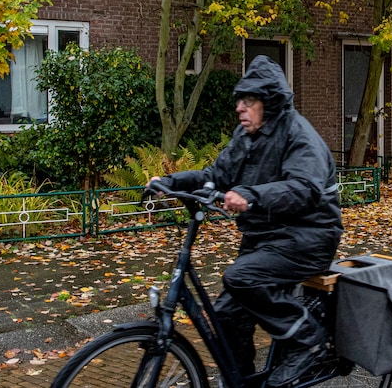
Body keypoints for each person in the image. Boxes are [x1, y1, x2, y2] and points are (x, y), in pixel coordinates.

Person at [143, 55, 343, 387]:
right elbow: (215, 176)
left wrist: (251, 195)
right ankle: (241, 381)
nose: (240, 108)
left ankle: (312, 343)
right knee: (226, 316)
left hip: (309, 237)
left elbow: (305, 189)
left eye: (249, 101)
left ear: (270, 102)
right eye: (240, 100)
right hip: (267, 239)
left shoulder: (299, 136)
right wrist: (172, 183)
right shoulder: (246, 136)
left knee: (242, 277)